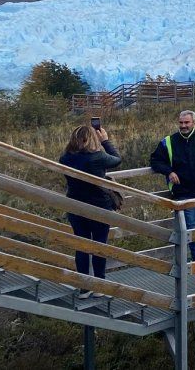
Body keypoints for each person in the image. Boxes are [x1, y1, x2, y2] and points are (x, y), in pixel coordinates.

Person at [150, 110, 195, 261]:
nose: (183, 126)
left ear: (194, 122)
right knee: (191, 225)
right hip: (182, 191)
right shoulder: (168, 141)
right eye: (181, 122)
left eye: (187, 122)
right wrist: (169, 172)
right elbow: (155, 161)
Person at [59, 123, 121, 298]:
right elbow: (117, 159)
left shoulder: (65, 159)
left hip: (75, 206)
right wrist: (106, 141)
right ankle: (99, 285)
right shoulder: (98, 157)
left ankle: (84, 287)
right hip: (99, 207)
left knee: (82, 245)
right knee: (99, 244)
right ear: (92, 139)